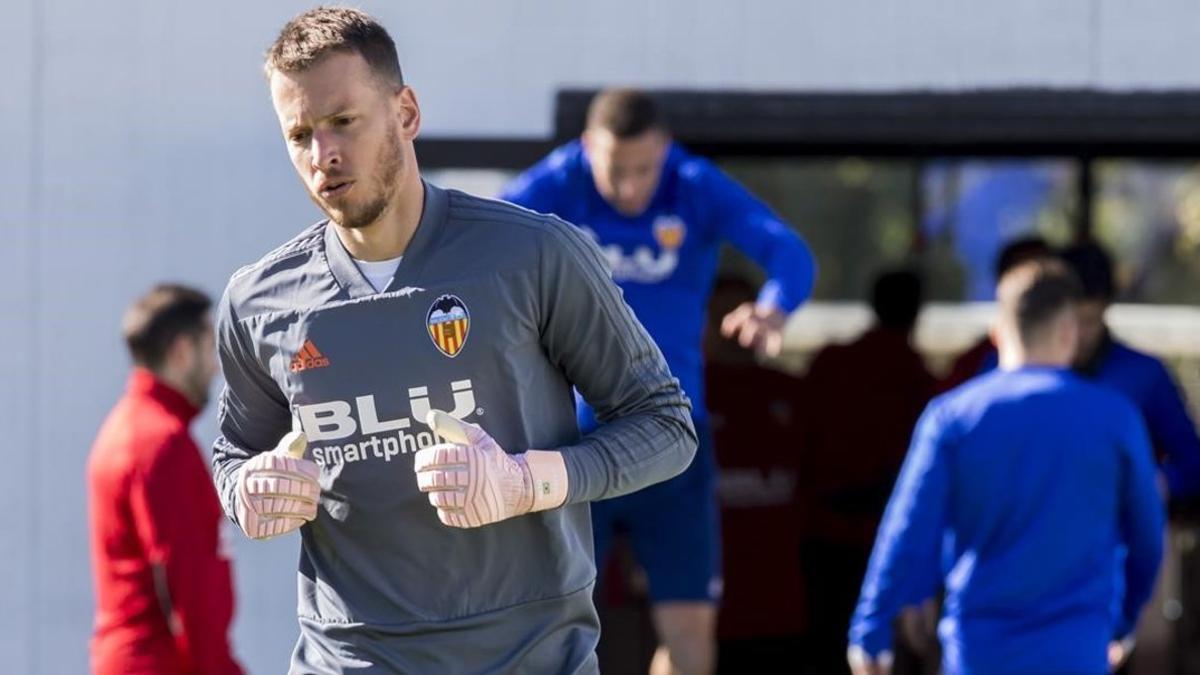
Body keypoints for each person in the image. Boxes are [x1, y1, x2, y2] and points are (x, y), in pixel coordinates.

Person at [211, 8, 696, 674]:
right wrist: (249, 491)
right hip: (348, 659)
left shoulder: (535, 254)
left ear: (405, 113)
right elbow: (236, 452)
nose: (323, 155)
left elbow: (666, 425)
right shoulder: (257, 300)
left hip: (528, 657)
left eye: (343, 122)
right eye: (299, 134)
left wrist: (527, 481)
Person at [501, 87, 816, 675]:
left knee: (691, 633)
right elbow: (475, 242)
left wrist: (774, 307)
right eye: (615, 170)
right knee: (551, 624)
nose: (629, 188)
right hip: (573, 444)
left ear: (665, 151)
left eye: (644, 170)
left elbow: (788, 250)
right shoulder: (559, 182)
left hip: (673, 437)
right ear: (586, 147)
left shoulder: (693, 185)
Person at [848, 260, 1165, 675]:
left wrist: (869, 631)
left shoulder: (952, 417)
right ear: (1068, 332)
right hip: (1077, 652)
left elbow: (906, 531)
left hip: (979, 654)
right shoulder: (1115, 418)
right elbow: (1146, 538)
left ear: (999, 333)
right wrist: (1120, 624)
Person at [87, 284, 243, 675]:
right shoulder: (161, 444)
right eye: (210, 350)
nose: (215, 368)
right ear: (181, 351)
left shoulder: (123, 430)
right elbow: (188, 584)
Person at [798, 269, 938, 675]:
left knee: (829, 645)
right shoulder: (918, 377)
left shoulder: (831, 363)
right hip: (878, 537)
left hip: (824, 536)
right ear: (917, 312)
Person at [1060, 241, 1200, 501]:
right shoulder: (1023, 378)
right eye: (1069, 322)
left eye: (1089, 321)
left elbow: (1193, 462)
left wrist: (1156, 482)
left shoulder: (1144, 375)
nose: (1078, 335)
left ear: (1106, 307)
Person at [941, 236, 1052, 391]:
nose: (1037, 295)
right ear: (1003, 287)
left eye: (1050, 284)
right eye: (1024, 281)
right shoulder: (972, 365)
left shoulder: (1085, 360)